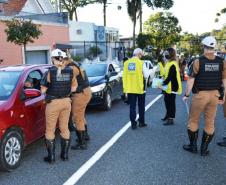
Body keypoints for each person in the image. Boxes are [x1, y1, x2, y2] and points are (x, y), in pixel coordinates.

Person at [183, 36, 226, 156]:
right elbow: (224, 81)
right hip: (215, 95)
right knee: (210, 122)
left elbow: (191, 80)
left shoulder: (198, 61)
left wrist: (186, 94)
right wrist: (223, 96)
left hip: (200, 95)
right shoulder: (221, 61)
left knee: (193, 120)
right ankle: (204, 149)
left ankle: (193, 147)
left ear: (204, 46)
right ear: (213, 47)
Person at [41, 49, 76, 163]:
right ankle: (64, 155)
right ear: (62, 58)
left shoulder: (50, 72)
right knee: (64, 127)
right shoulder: (70, 71)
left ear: (52, 59)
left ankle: (51, 157)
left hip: (53, 103)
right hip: (66, 102)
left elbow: (42, 90)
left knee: (50, 130)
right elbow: (74, 88)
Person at [63, 52, 92, 150]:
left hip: (80, 94)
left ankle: (82, 143)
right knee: (81, 115)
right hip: (85, 91)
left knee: (77, 118)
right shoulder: (75, 64)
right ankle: (85, 136)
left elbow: (65, 82)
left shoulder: (71, 68)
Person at [122, 48, 150, 129]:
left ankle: (133, 124)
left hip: (130, 88)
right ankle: (141, 122)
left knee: (132, 107)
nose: (141, 56)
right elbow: (146, 75)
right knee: (141, 106)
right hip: (140, 89)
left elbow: (124, 76)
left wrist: (125, 89)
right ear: (139, 54)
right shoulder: (141, 63)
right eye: (141, 55)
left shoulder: (126, 63)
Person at [161, 48, 182, 125]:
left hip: (172, 86)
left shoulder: (173, 64)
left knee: (171, 103)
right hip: (167, 87)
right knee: (166, 101)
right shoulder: (168, 63)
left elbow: (170, 77)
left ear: (171, 54)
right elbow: (166, 75)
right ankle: (168, 115)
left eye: (167, 53)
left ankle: (171, 118)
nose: (165, 55)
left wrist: (161, 84)